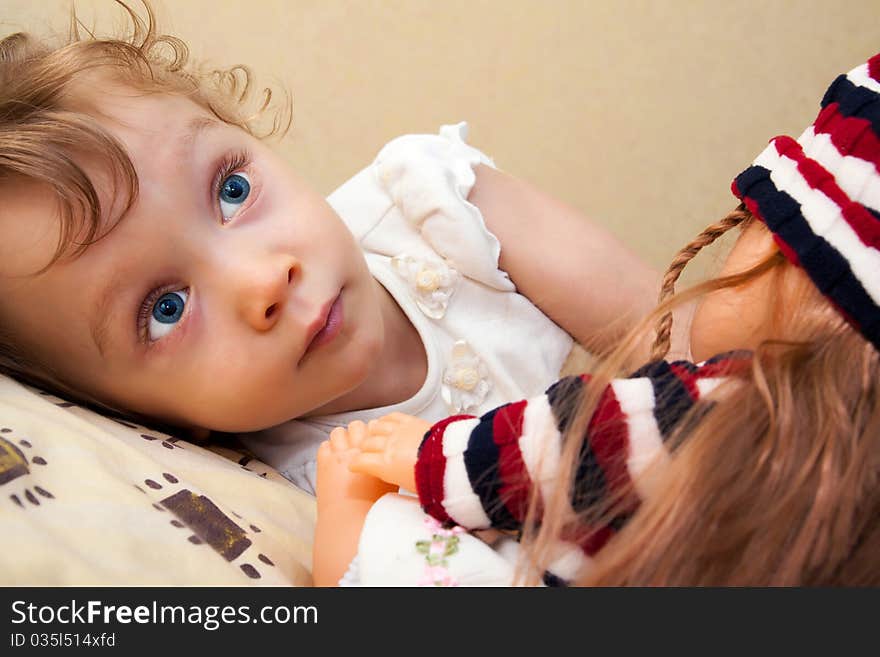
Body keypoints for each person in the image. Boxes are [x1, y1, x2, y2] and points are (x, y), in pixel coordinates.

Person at [0, 1, 661, 496]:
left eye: (231, 189)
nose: (264, 281)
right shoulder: (299, 497)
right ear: (134, 413)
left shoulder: (434, 208)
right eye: (165, 307)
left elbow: (670, 327)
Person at [312, 52, 880, 586]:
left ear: (815, 287)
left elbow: (574, 442)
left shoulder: (731, 408)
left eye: (752, 226)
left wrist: (425, 458)